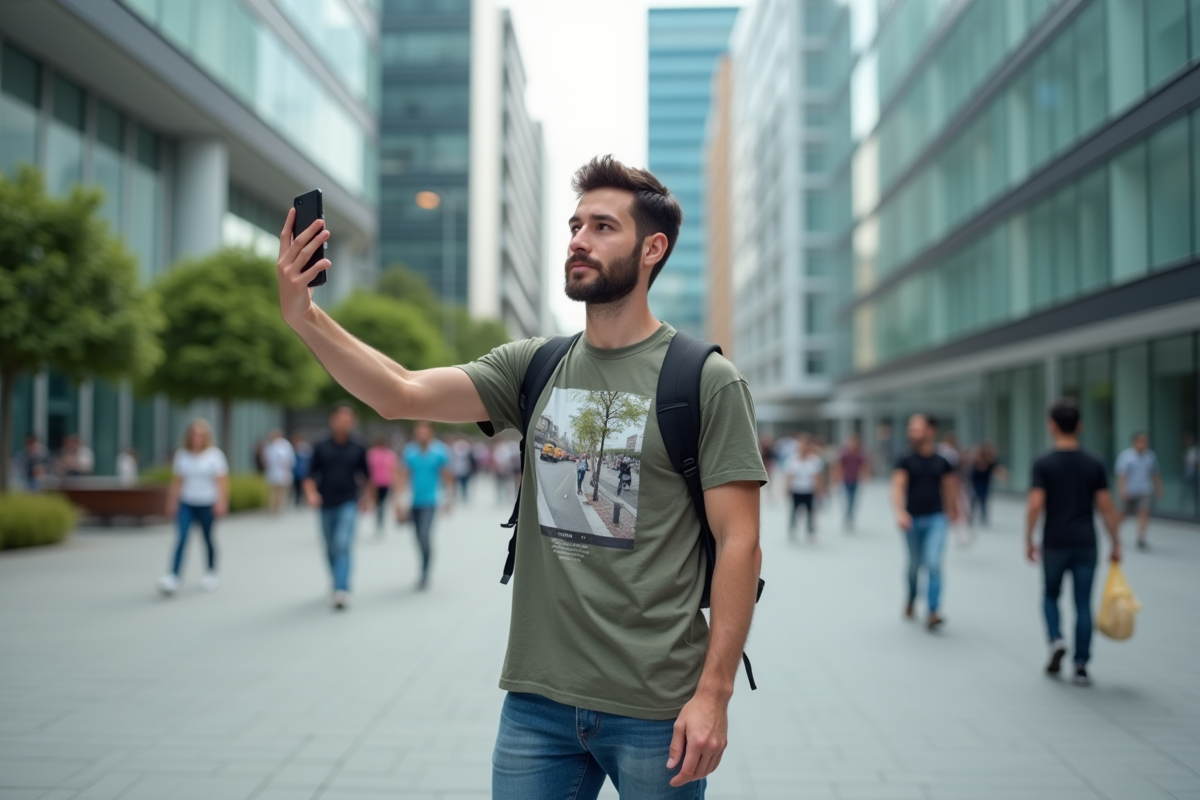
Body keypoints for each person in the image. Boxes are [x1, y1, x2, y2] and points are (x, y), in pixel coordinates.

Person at [276, 154, 766, 796]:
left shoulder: (704, 381)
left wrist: (714, 695)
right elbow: (400, 392)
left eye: (603, 227)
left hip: (657, 708)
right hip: (538, 705)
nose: (579, 240)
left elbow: (739, 543)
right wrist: (304, 317)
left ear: (653, 249)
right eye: (575, 225)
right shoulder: (535, 365)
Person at [1025, 399, 1122, 687]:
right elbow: (1106, 506)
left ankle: (1056, 639)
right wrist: (1116, 542)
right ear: (1080, 426)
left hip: (1054, 542)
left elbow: (1035, 504)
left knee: (1050, 595)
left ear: (1051, 426)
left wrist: (1029, 538)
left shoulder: (1043, 462)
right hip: (1086, 542)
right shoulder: (1094, 463)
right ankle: (1081, 665)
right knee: (1083, 603)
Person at [891, 414, 959, 630]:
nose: (912, 433)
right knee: (914, 566)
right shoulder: (905, 459)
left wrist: (954, 510)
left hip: (936, 518)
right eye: (911, 429)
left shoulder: (943, 461)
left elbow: (949, 488)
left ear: (931, 431)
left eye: (917, 429)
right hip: (912, 520)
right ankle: (912, 597)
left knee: (934, 564)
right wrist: (900, 512)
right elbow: (898, 487)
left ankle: (933, 610)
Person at [303, 404, 371, 610]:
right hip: (325, 502)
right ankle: (335, 580)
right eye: (340, 418)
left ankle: (342, 588)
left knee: (342, 543)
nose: (344, 422)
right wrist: (311, 494)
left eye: (348, 419)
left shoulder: (358, 445)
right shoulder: (321, 444)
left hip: (349, 501)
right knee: (330, 546)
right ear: (332, 420)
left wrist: (367, 498)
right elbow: (309, 475)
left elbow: (367, 476)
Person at [159, 419, 228, 595]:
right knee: (182, 537)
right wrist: (172, 502)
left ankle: (210, 572)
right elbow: (177, 482)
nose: (197, 438)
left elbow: (221, 482)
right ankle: (173, 576)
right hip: (187, 502)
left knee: (207, 538)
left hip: (207, 502)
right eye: (194, 435)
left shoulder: (214, 455)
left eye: (200, 435)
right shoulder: (182, 455)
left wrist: (221, 502)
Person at [398, 422, 453, 589]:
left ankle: (425, 572)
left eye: (424, 432)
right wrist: (399, 500)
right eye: (418, 432)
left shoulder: (440, 451)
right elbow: (403, 475)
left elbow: (447, 475)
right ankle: (422, 564)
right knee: (417, 537)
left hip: (431, 500)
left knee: (424, 535)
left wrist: (449, 498)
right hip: (414, 500)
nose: (421, 435)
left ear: (431, 433)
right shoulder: (410, 451)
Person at [1115, 432, 1162, 551]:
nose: (1143, 444)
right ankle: (1114, 530)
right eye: (1140, 441)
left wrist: (1158, 488)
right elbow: (1122, 475)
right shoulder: (1126, 456)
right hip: (1130, 490)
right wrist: (1122, 490)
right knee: (1123, 513)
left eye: (1145, 442)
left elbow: (1154, 473)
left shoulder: (1151, 456)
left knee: (1144, 512)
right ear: (1134, 442)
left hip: (1145, 489)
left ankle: (1141, 537)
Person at [783, 437, 824, 540]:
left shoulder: (814, 460)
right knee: (794, 511)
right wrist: (787, 488)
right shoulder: (792, 459)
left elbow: (817, 476)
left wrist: (819, 490)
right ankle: (792, 529)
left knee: (810, 511)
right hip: (796, 489)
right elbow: (789, 476)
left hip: (809, 489)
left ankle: (810, 531)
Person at [834, 432, 869, 530]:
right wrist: (836, 477)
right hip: (846, 479)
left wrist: (866, 477)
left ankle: (850, 515)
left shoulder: (860, 454)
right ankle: (847, 516)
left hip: (855, 480)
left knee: (853, 500)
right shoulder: (844, 453)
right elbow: (839, 466)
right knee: (848, 498)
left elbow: (864, 466)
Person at [967, 441, 1006, 527]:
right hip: (975, 483)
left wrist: (1001, 475)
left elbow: (997, 471)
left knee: (983, 501)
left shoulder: (990, 461)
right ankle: (971, 517)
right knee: (973, 501)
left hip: (985, 484)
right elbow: (969, 470)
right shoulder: (975, 460)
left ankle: (983, 517)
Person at [367, 435, 399, 535]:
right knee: (377, 502)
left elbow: (394, 469)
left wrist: (395, 482)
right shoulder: (372, 453)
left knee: (382, 503)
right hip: (374, 483)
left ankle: (380, 520)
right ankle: (378, 519)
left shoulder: (389, 454)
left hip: (386, 482)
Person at [262, 429, 295, 514]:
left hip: (282, 472)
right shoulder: (271, 446)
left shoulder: (284, 445)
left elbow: (289, 459)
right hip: (274, 473)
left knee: (280, 492)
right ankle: (274, 508)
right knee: (274, 492)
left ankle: (278, 507)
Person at [291, 434, 313, 507]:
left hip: (303, 471)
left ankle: (304, 500)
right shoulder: (295, 450)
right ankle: (298, 500)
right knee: (297, 487)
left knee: (303, 487)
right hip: (298, 472)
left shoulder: (305, 449)